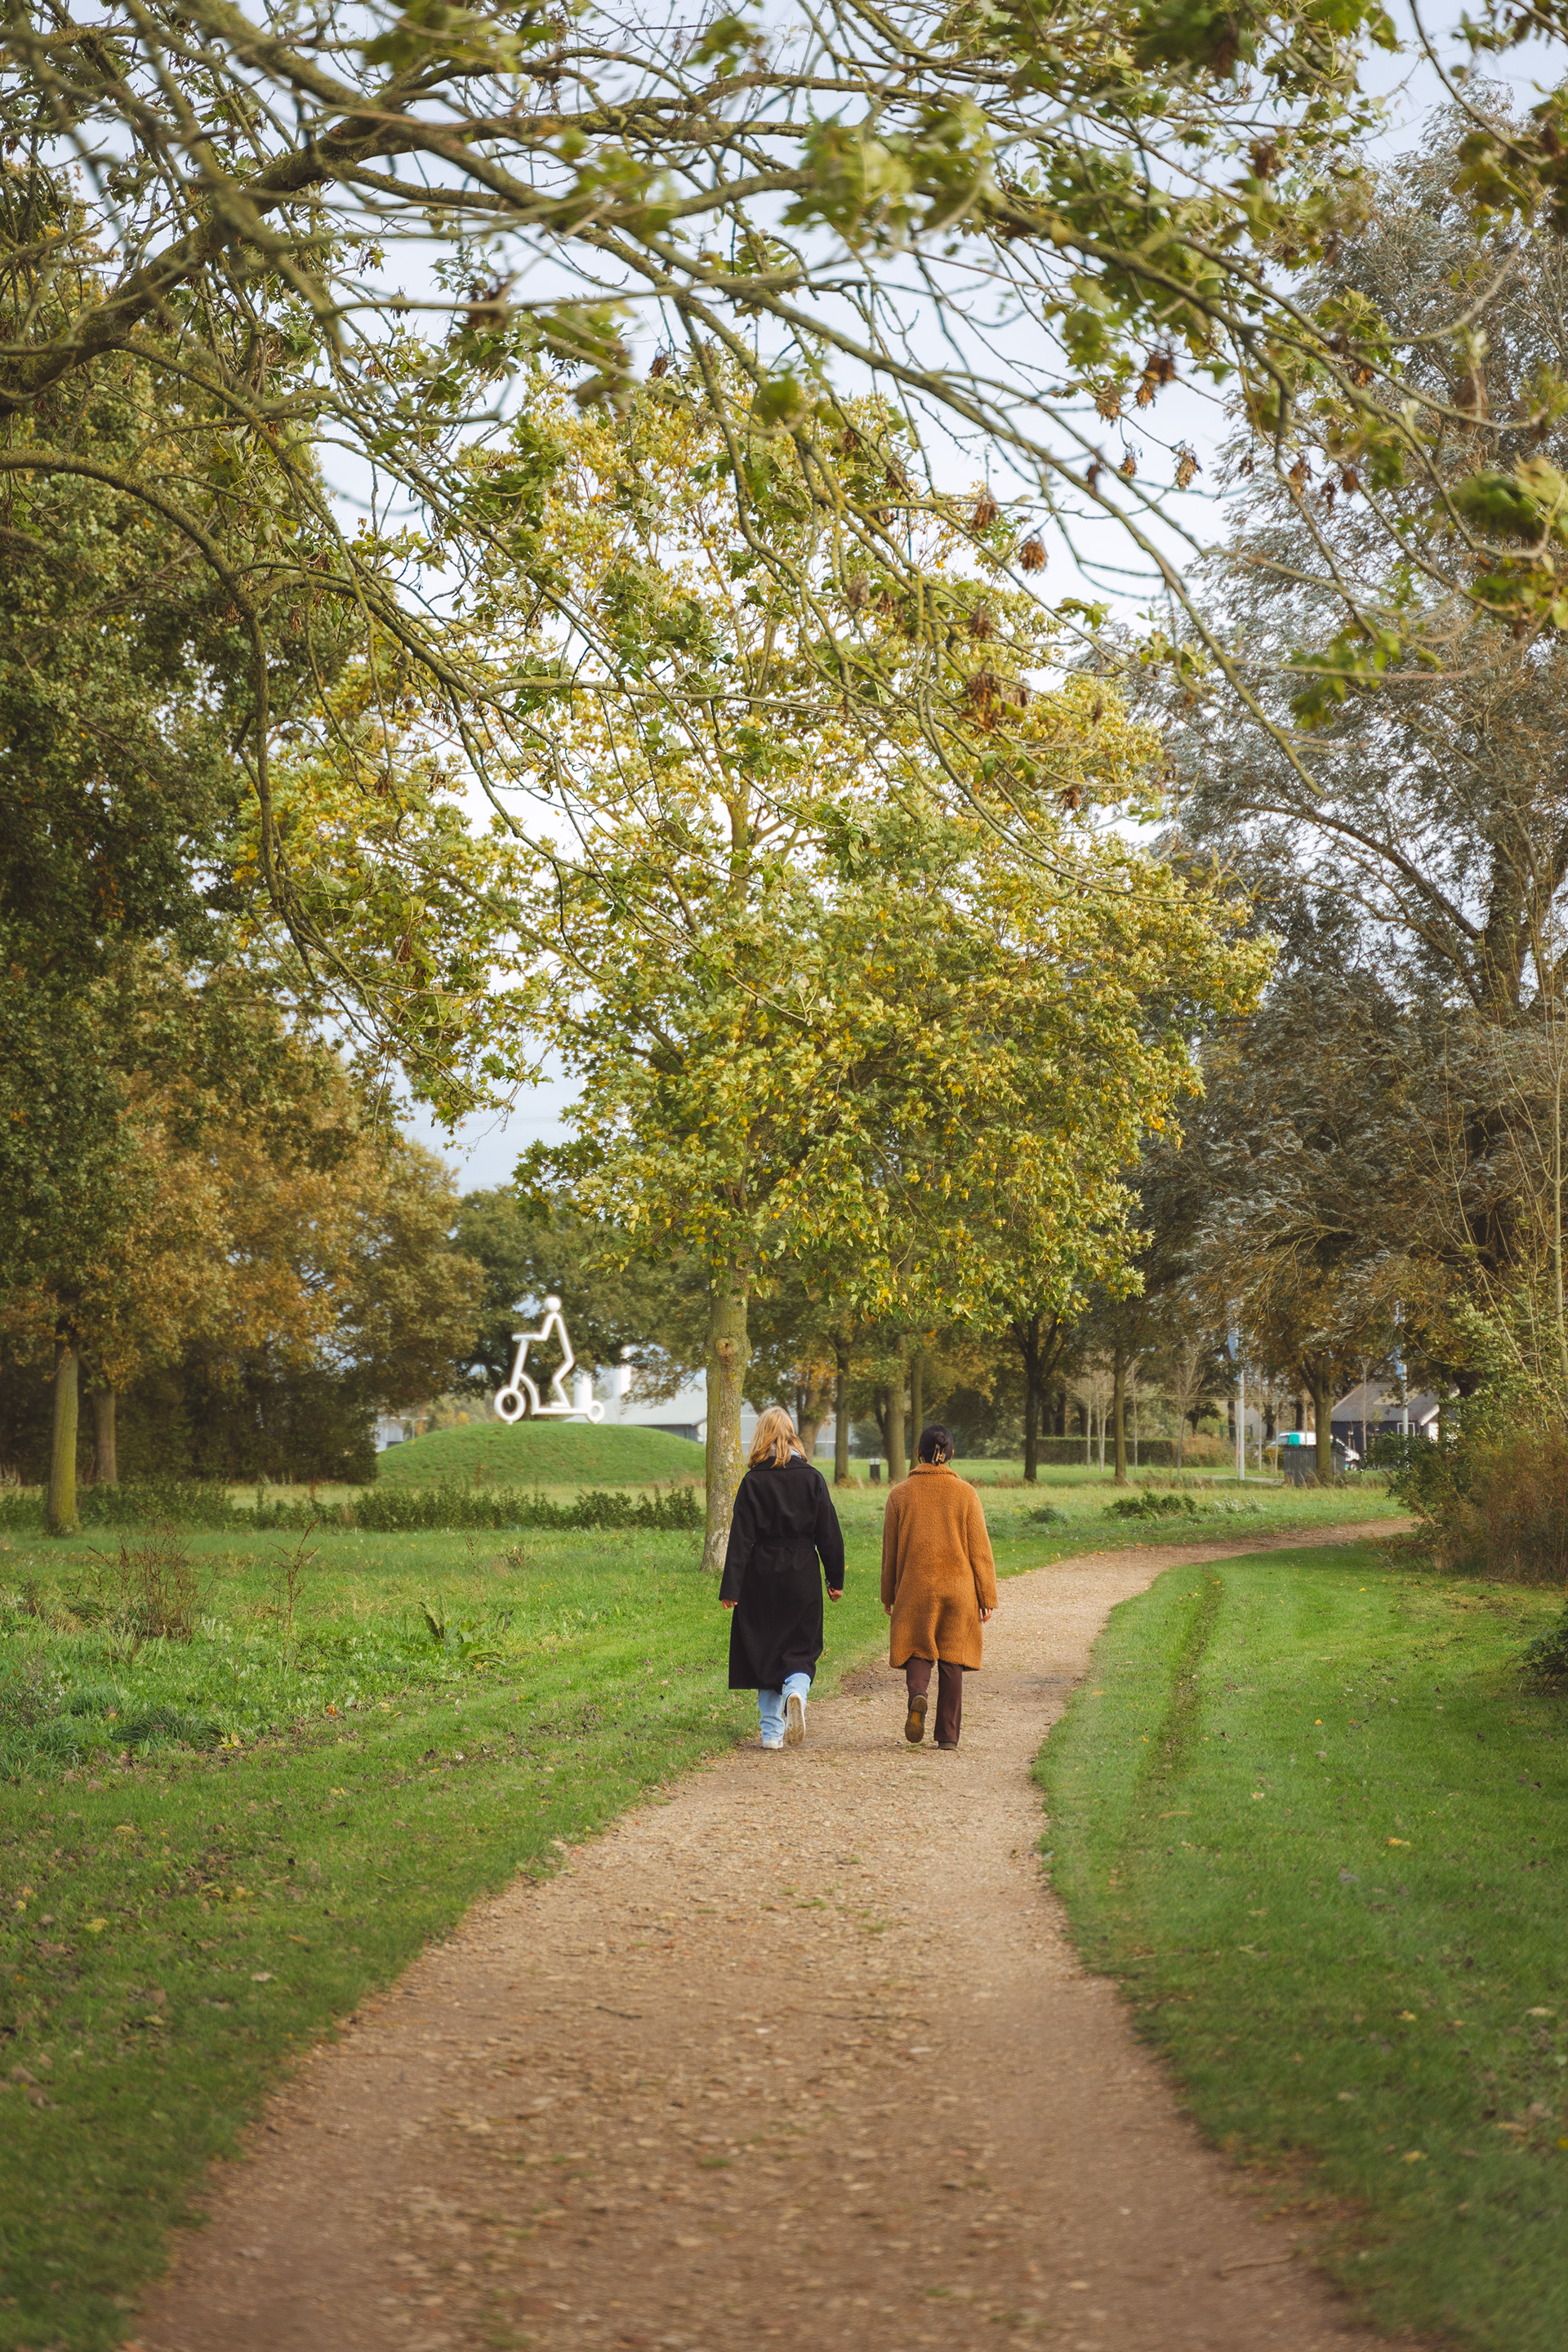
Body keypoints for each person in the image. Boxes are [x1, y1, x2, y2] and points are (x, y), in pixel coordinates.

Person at [720, 1406, 844, 1750]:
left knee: (764, 1649)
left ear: (761, 1436)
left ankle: (772, 1734)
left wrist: (731, 1587)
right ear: (792, 1436)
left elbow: (740, 1538)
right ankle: (796, 1693)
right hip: (802, 1573)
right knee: (801, 1648)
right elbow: (829, 1534)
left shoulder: (753, 1482)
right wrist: (835, 1579)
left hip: (760, 1576)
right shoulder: (812, 1479)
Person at [880, 1423, 998, 1748]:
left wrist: (888, 1593)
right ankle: (947, 1736)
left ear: (917, 1453)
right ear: (951, 1454)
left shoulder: (899, 1495)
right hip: (959, 1589)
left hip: (915, 1586)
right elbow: (980, 1550)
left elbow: (890, 1552)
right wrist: (986, 1595)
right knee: (952, 1655)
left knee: (917, 1647)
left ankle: (917, 1695)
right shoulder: (966, 1493)